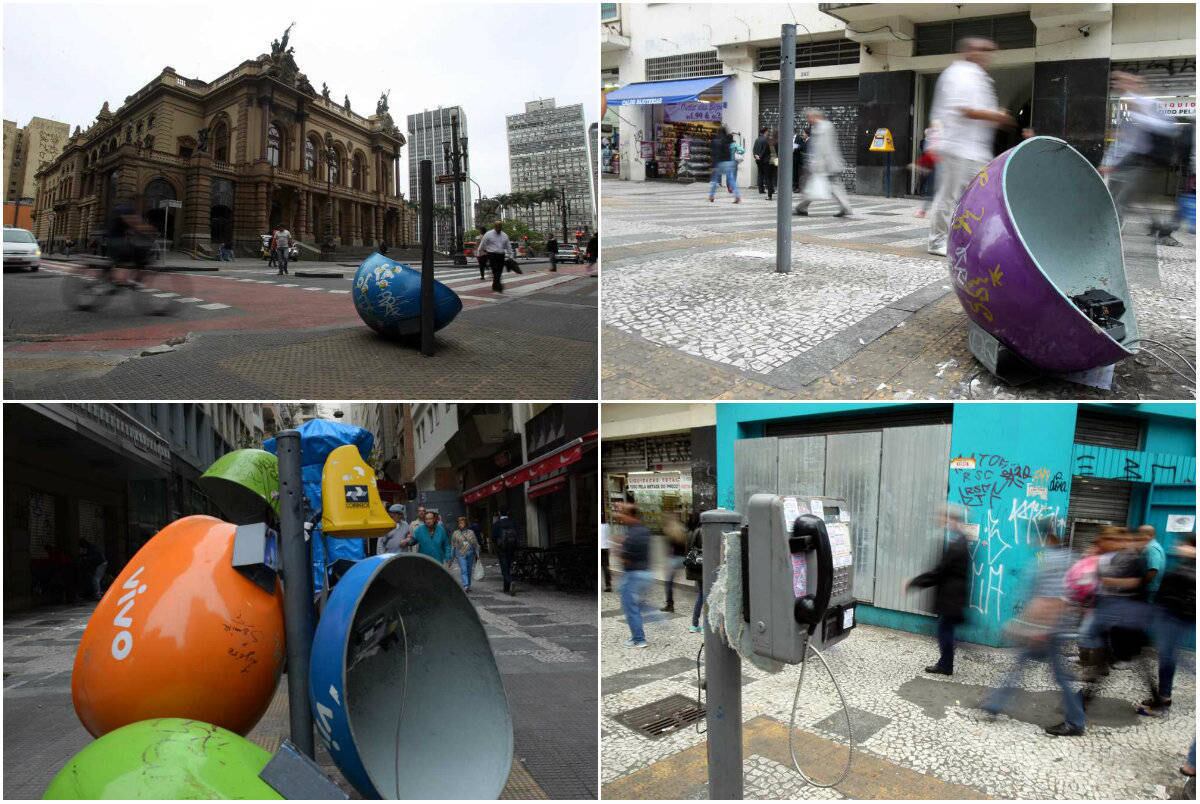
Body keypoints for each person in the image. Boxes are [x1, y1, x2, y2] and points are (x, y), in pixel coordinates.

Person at [981, 517, 1085, 736]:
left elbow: (1051, 600)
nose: (1030, 540)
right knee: (1026, 667)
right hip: (1057, 627)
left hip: (1048, 630)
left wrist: (1037, 629)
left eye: (1033, 535)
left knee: (1053, 674)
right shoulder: (1070, 557)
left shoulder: (1046, 561)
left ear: (1041, 536)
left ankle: (1076, 721)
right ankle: (994, 705)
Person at [925, 37, 1014, 256]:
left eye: (990, 50)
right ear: (969, 51)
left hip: (976, 151)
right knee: (949, 195)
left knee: (975, 199)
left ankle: (964, 238)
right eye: (982, 49)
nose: (987, 54)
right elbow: (964, 109)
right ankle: (937, 240)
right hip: (957, 148)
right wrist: (998, 115)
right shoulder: (959, 74)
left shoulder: (979, 77)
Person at [1102, 71, 1179, 241]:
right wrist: (1108, 161)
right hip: (1128, 159)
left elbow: (1169, 127)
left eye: (1125, 80)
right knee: (1118, 195)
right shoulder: (1125, 104)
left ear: (1138, 83)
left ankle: (1112, 235)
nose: (1119, 84)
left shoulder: (1150, 104)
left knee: (1126, 198)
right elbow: (1124, 139)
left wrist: (1139, 115)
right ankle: (1159, 227)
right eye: (1117, 80)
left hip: (1147, 162)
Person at [905, 504, 971, 675]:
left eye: (948, 519)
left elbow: (939, 572)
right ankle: (945, 663)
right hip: (953, 597)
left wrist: (914, 582)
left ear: (954, 521)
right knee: (946, 630)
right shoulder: (961, 540)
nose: (945, 522)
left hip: (951, 598)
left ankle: (946, 666)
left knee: (945, 632)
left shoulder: (957, 545)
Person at [1138, 532, 1194, 716]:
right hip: (1172, 615)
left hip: (1176, 617)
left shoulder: (1192, 567)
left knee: (1169, 657)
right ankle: (1163, 696)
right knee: (1167, 656)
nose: (1178, 547)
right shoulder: (1186, 565)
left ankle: (1163, 700)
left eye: (1183, 544)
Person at [793, 108, 852, 218]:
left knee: (813, 186)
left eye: (809, 117)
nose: (808, 120)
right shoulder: (823, 126)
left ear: (815, 116)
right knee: (832, 187)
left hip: (825, 164)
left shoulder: (823, 127)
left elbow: (824, 147)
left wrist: (817, 164)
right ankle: (845, 206)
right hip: (827, 163)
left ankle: (801, 207)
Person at [617, 501, 658, 648]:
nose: (620, 516)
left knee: (630, 607)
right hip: (646, 573)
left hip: (633, 574)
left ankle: (639, 639)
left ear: (630, 515)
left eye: (622, 513)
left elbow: (625, 558)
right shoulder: (644, 530)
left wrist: (619, 548)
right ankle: (657, 615)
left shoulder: (631, 534)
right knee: (637, 603)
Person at [661, 514, 688, 613]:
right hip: (682, 559)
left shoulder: (670, 531)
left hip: (674, 559)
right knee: (670, 581)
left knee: (668, 583)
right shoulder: (682, 530)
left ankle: (670, 604)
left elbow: (670, 550)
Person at [707, 126, 741, 204]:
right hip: (729, 162)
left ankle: (711, 196)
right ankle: (737, 196)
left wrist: (713, 165)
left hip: (719, 163)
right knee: (731, 180)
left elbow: (715, 154)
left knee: (715, 180)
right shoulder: (728, 140)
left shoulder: (716, 141)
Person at [492, 508, 521, 596]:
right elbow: (518, 535)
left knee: (504, 569)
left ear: (499, 513)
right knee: (510, 566)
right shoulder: (513, 522)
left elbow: (493, 537)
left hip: (502, 549)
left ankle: (510, 581)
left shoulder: (497, 524)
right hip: (512, 549)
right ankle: (506, 588)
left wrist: (497, 546)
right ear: (508, 513)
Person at [477, 221, 511, 293]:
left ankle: (495, 284)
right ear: (495, 227)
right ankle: (498, 286)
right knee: (495, 270)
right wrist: (479, 252)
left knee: (499, 270)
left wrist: (510, 256)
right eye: (497, 227)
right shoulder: (488, 234)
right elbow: (482, 243)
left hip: (501, 255)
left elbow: (508, 246)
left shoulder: (505, 235)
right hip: (492, 255)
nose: (498, 228)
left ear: (501, 227)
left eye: (500, 227)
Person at [451, 516, 480, 592]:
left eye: (462, 523)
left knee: (469, 569)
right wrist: (451, 557)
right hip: (460, 553)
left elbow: (475, 543)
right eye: (459, 523)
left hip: (470, 553)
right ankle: (466, 585)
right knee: (464, 569)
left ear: (466, 523)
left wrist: (477, 554)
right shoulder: (455, 533)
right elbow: (453, 545)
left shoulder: (471, 532)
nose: (460, 524)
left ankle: (468, 585)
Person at [762, 130, 779, 201]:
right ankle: (772, 190)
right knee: (773, 177)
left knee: (768, 178)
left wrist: (759, 157)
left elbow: (764, 152)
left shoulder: (768, 142)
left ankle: (769, 195)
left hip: (768, 161)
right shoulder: (778, 142)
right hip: (775, 161)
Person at [752, 127, 770, 194]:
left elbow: (754, 149)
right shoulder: (765, 140)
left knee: (760, 174)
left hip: (758, 160)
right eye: (767, 131)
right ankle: (769, 189)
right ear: (765, 132)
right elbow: (764, 150)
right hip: (764, 160)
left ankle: (760, 189)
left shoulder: (757, 140)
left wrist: (756, 156)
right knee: (767, 175)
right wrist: (760, 156)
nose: (768, 133)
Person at [600, 515, 613, 593]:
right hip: (606, 548)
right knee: (606, 567)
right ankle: (608, 585)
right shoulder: (607, 526)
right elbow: (609, 536)